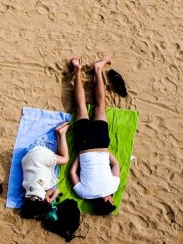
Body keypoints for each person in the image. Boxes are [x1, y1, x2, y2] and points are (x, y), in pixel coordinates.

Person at [69, 57, 120, 215]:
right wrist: (79, 157)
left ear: (106, 201)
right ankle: (77, 71)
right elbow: (72, 172)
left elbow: (115, 165)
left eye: (111, 200)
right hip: (84, 147)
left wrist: (106, 152)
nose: (111, 198)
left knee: (100, 105)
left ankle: (98, 69)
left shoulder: (113, 187)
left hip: (101, 143)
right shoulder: (83, 194)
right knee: (81, 108)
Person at [21, 122, 70, 219]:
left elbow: (56, 190)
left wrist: (51, 199)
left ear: (44, 201)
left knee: (65, 159)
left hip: (38, 157)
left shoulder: (41, 191)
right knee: (57, 158)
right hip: (27, 159)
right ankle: (59, 133)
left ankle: (61, 133)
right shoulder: (29, 193)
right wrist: (48, 199)